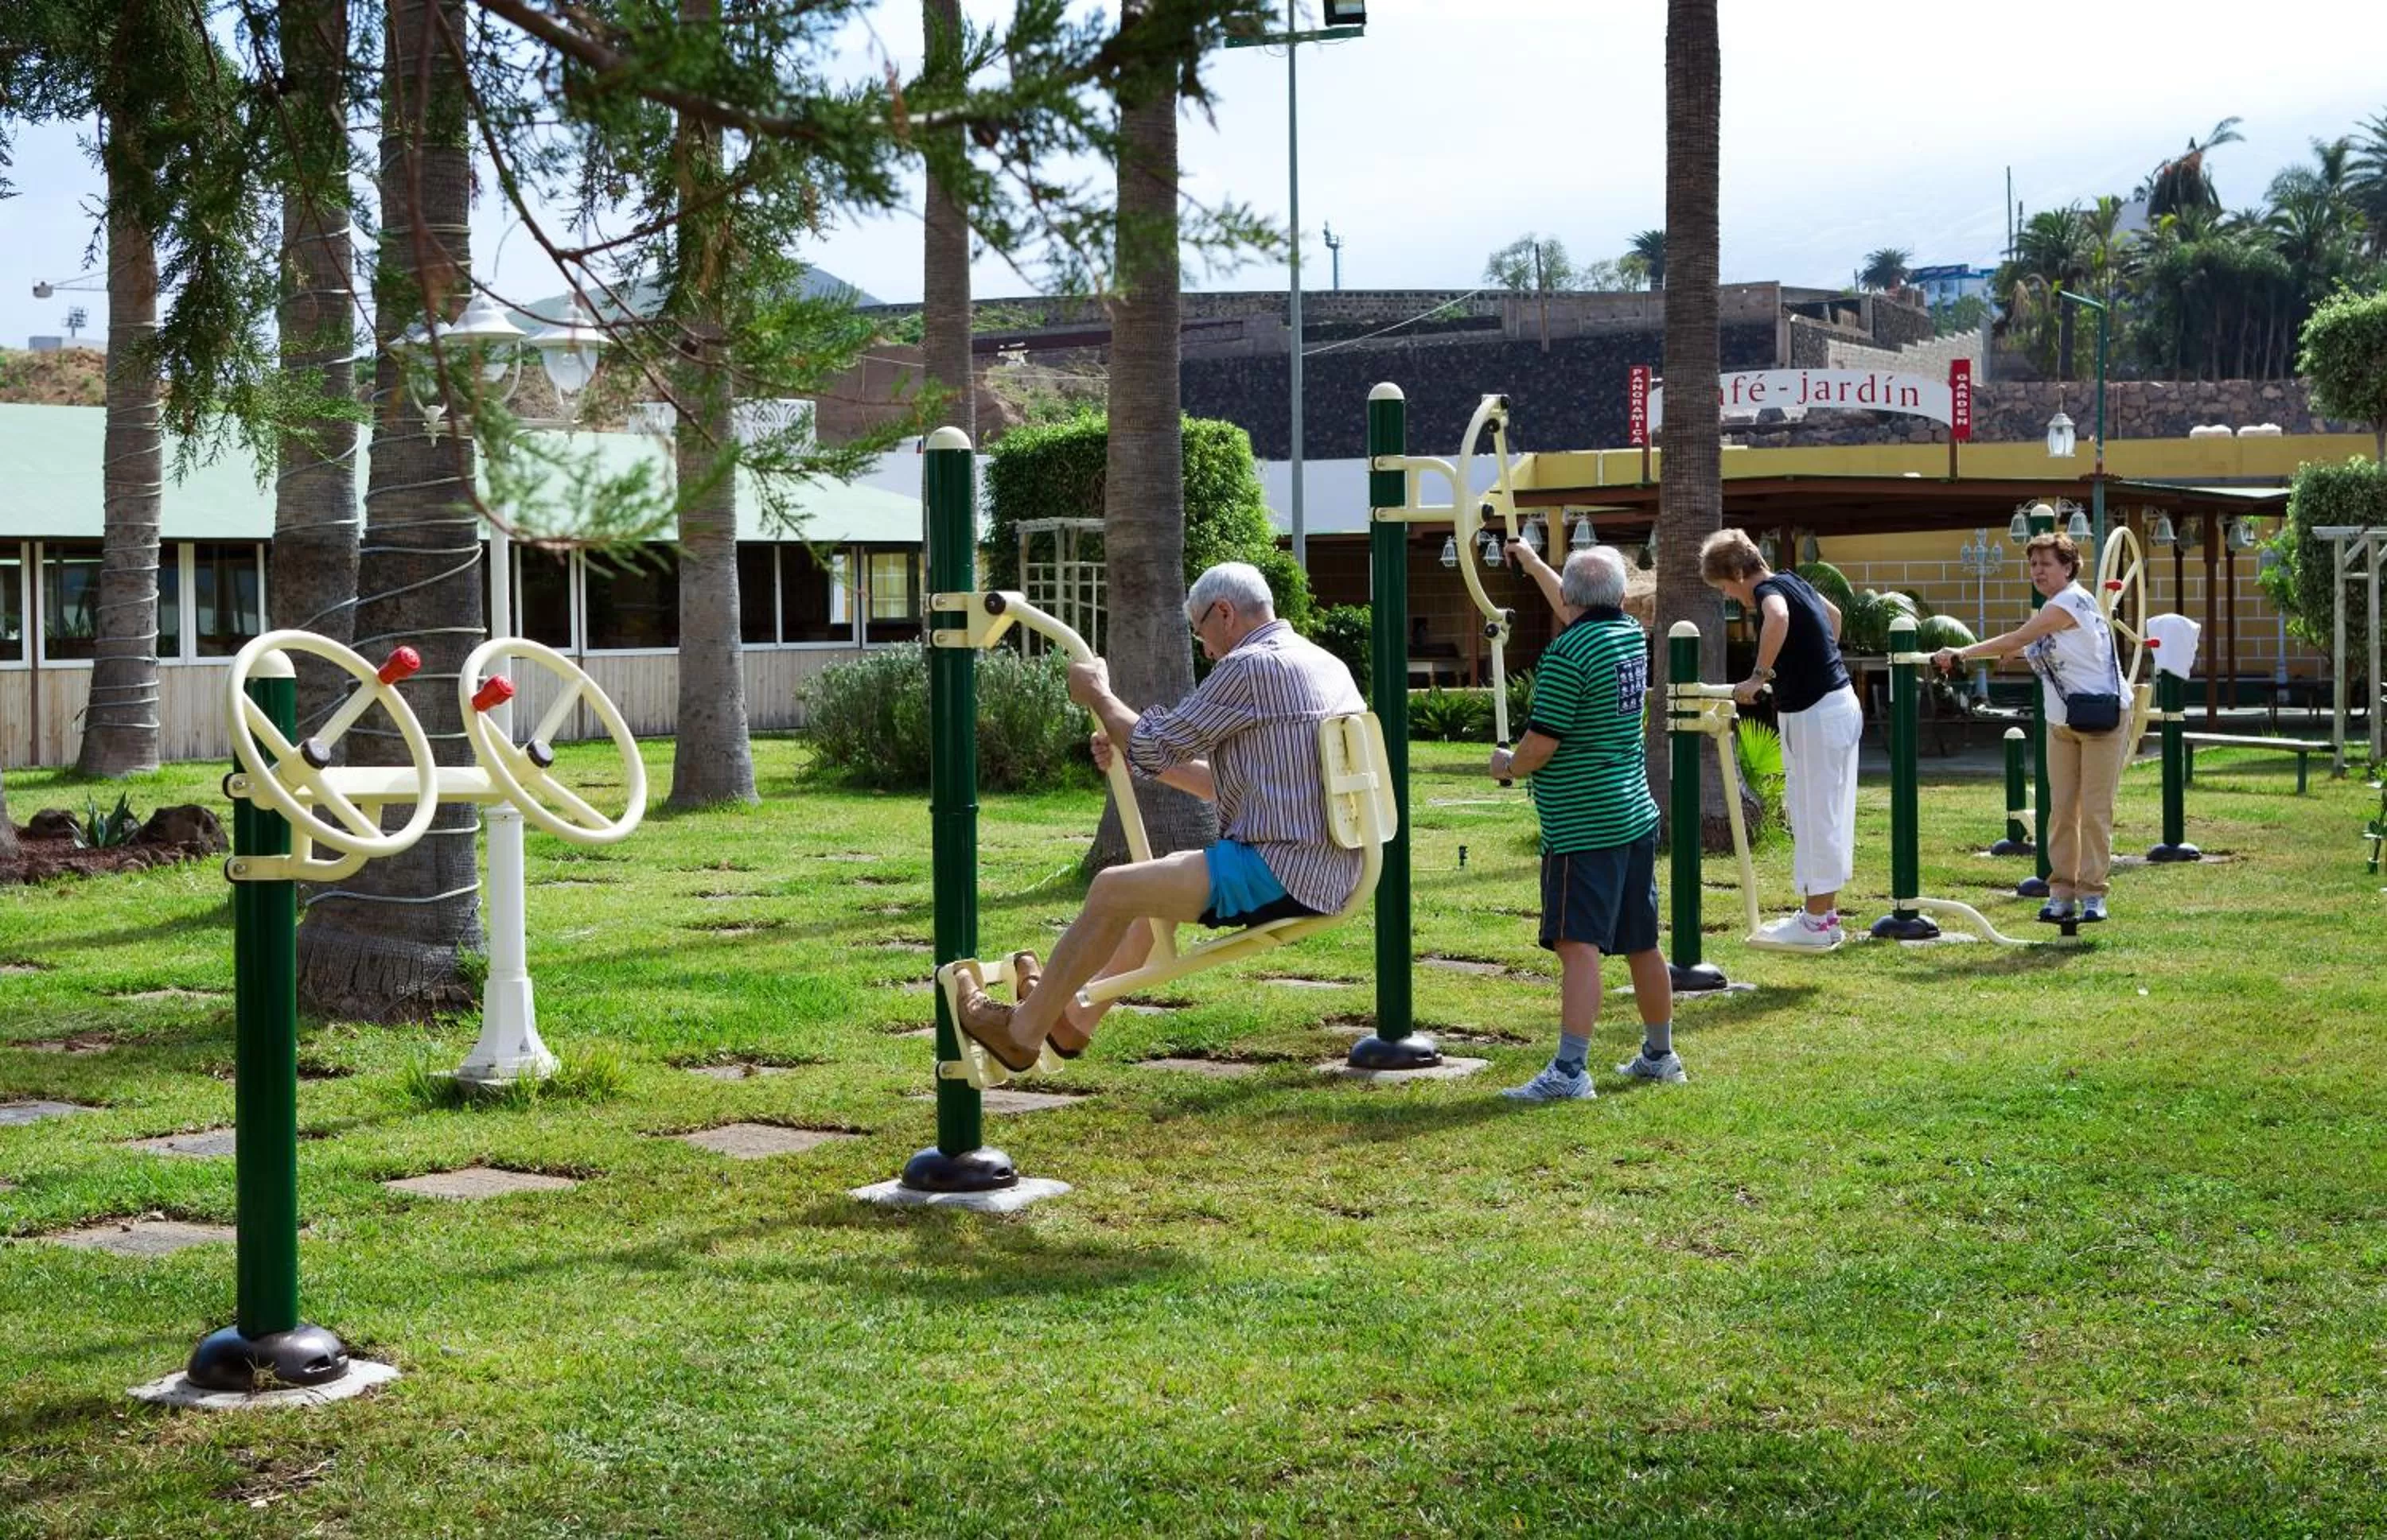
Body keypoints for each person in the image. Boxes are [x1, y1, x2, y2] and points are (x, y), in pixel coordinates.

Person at [949, 561, 1366, 1071]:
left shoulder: (1251, 666)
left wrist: (1098, 695)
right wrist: (1135, 754)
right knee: (1153, 893)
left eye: (1201, 632)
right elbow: (1222, 781)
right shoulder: (1323, 663)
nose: (1206, 650)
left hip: (1283, 869)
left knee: (1112, 888)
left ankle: (1021, 1032)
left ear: (1225, 613)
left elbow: (1152, 743)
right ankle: (1072, 1018)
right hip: (1331, 865)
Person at [1493, 540, 1680, 1097]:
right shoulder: (1628, 634)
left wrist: (1508, 765)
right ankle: (1660, 1055)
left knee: (1576, 945)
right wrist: (1533, 565)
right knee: (1642, 941)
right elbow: (1578, 605)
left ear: (1573, 600)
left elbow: (1541, 744)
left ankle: (1570, 1072)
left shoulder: (1567, 655)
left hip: (1583, 825)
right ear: (1619, 597)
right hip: (1632, 813)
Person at [1930, 529, 2127, 923]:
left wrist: (1962, 652)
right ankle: (2061, 892)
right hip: (2062, 721)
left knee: (2094, 811)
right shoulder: (2054, 608)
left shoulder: (2071, 601)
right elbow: (2036, 644)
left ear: (2068, 568)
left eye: (2046, 564)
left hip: (2102, 719)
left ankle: (2093, 894)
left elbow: (2021, 636)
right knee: (2061, 810)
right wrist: (2016, 652)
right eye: (2033, 564)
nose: (2038, 571)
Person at [1698, 530, 1859, 949]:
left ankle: (1815, 921)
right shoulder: (1793, 580)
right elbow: (1833, 616)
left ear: (1737, 573)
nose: (1731, 597)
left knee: (1813, 813)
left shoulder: (1769, 591)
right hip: (1838, 702)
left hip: (1815, 713)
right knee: (1828, 811)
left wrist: (1759, 676)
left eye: (1726, 588)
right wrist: (1812, 660)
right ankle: (1825, 917)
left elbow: (1779, 617)